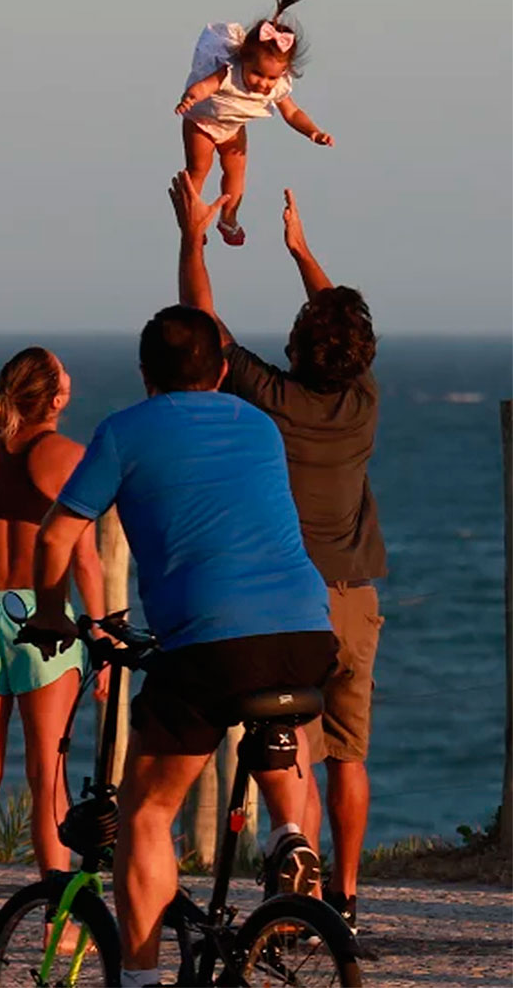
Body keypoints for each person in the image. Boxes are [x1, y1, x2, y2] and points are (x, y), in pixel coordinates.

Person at [25, 305, 338, 987]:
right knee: (277, 735)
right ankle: (290, 836)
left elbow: (54, 537)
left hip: (210, 642)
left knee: (147, 811)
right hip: (308, 629)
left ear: (144, 374)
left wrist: (53, 615)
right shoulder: (258, 425)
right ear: (222, 370)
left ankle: (138, 978)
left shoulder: (122, 432)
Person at [169, 169, 387, 934]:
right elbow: (342, 330)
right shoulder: (363, 400)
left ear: (297, 344)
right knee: (349, 757)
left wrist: (192, 236)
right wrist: (302, 251)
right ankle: (346, 902)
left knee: (297, 750)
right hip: (358, 596)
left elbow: (205, 327)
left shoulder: (272, 396)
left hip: (295, 600)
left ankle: (297, 899)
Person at [0, 346, 105, 953]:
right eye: (65, 375)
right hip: (45, 617)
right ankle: (56, 928)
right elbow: (84, 555)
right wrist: (106, 627)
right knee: (47, 778)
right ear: (56, 398)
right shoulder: (68, 457)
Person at [175, 0, 333, 248]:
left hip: (233, 127)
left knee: (236, 172)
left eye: (271, 78)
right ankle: (193, 218)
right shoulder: (229, 72)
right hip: (202, 122)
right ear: (244, 60)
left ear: (284, 73)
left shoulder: (277, 87)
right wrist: (190, 97)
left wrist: (314, 132)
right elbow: (205, 86)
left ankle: (228, 217)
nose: (263, 83)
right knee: (200, 168)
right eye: (258, 74)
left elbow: (292, 113)